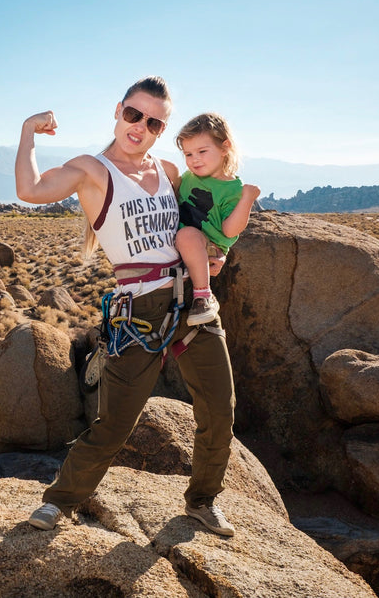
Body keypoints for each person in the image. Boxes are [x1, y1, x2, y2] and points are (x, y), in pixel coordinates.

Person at [15, 76, 237, 537]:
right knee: (114, 426)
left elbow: (198, 225)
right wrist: (26, 133)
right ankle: (60, 501)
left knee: (220, 409)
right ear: (118, 111)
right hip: (136, 315)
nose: (140, 126)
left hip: (190, 303)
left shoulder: (172, 172)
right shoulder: (92, 170)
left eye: (154, 122)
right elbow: (30, 190)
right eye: (134, 114)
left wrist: (215, 254)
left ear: (162, 129)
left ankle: (201, 501)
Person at [174, 113, 261, 324]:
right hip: (185, 243)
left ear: (224, 148)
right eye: (188, 154)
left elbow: (231, 230)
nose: (194, 159)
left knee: (186, 235)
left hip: (208, 247)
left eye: (202, 151)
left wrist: (247, 199)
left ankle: (202, 297)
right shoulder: (188, 177)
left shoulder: (232, 189)